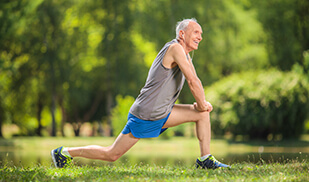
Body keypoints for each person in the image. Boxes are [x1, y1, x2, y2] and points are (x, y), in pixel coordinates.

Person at [51, 18, 230, 169]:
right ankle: (64, 153)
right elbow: (193, 81)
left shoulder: (185, 55)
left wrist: (201, 105)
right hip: (147, 113)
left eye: (201, 34)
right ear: (182, 34)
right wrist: (200, 103)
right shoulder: (175, 48)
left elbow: (195, 80)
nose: (200, 37)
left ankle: (205, 159)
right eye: (196, 32)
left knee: (202, 114)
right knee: (112, 154)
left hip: (161, 111)